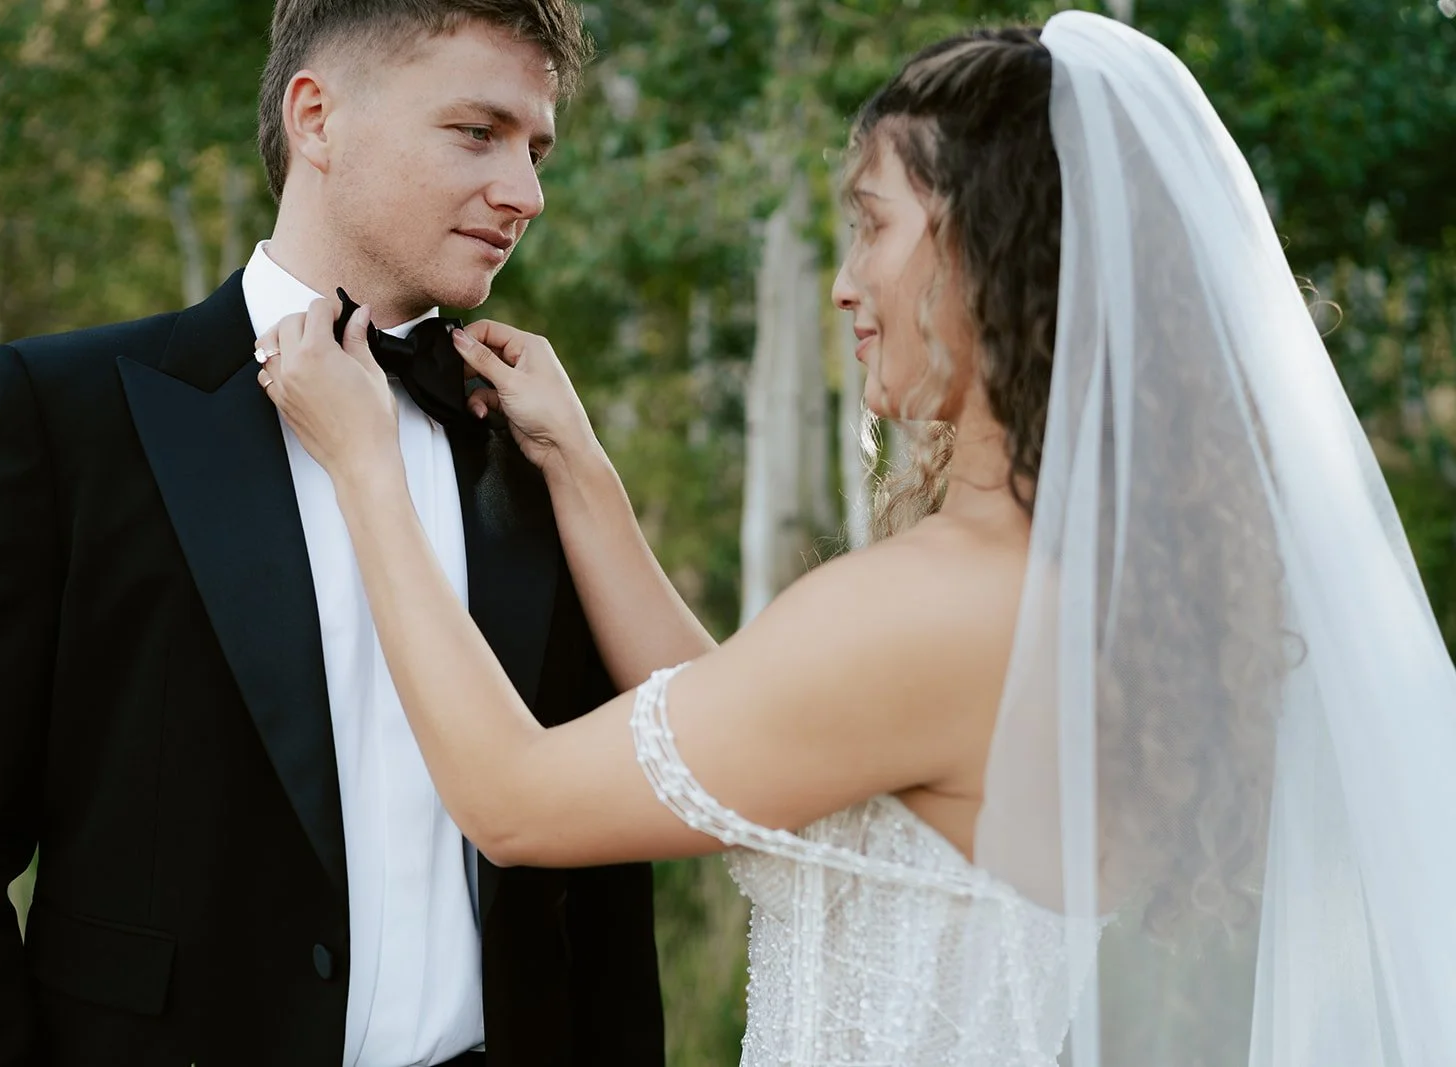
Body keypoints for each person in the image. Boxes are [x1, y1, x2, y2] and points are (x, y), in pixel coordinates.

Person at [256, 10, 1456, 1067]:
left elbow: (514, 800)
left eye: (873, 224)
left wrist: (367, 467)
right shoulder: (1076, 585)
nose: (845, 282)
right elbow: (745, 718)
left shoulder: (935, 605)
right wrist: (582, 471)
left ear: (990, 251)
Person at [0, 3, 666, 1066]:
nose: (527, 192)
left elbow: (601, 885)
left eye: (536, 147)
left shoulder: (529, 436)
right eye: (478, 132)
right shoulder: (70, 416)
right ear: (316, 118)